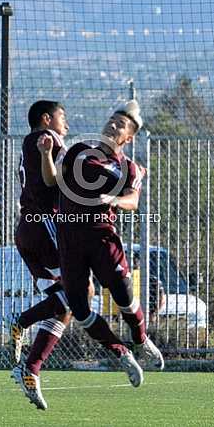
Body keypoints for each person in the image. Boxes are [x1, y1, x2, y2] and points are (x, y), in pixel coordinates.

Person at [38, 100, 164, 388]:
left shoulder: (130, 168)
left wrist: (114, 200)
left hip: (102, 238)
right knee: (80, 310)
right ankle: (122, 355)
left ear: (128, 137)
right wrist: (46, 153)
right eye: (111, 119)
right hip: (69, 241)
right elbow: (51, 180)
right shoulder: (79, 151)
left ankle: (141, 340)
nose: (112, 125)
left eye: (120, 124)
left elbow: (132, 201)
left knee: (125, 299)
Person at [10, 100, 72, 410]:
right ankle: (22, 321)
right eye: (64, 118)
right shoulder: (50, 139)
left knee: (64, 306)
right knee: (81, 292)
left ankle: (31, 369)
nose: (67, 125)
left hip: (27, 229)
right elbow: (58, 181)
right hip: (45, 226)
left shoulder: (27, 143)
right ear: (47, 119)